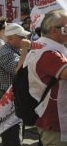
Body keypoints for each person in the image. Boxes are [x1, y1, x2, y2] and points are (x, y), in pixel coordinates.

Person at [24, 9, 67, 145]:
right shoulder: (49, 53)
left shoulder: (42, 46)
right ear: (54, 30)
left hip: (51, 116)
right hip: (55, 120)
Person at [0, 23, 31, 146]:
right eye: (20, 37)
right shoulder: (5, 52)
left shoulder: (16, 50)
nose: (24, 39)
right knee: (12, 135)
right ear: (10, 38)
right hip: (8, 98)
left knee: (17, 131)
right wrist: (26, 50)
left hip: (14, 96)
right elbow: (17, 70)